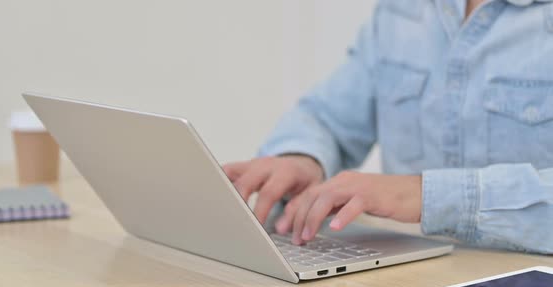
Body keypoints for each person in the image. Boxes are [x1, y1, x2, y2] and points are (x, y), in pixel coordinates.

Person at [223, 0, 553, 253]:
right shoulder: (402, 10)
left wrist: (426, 196)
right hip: (406, 276)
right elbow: (330, 116)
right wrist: (301, 158)